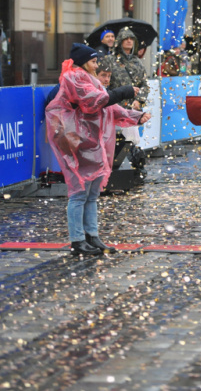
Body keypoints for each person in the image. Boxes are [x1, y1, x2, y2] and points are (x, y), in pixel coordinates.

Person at [46, 43, 150, 256]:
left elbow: (109, 107)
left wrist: (135, 116)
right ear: (83, 62)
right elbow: (93, 102)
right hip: (76, 140)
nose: (96, 65)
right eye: (93, 61)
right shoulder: (73, 78)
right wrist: (124, 91)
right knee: (78, 193)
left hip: (90, 141)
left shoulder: (90, 80)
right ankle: (77, 239)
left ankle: (92, 236)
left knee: (92, 193)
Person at [108, 27, 149, 110]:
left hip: (134, 109)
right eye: (126, 38)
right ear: (120, 41)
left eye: (131, 39)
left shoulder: (138, 62)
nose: (129, 41)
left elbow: (144, 85)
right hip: (116, 108)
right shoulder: (110, 60)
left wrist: (139, 100)